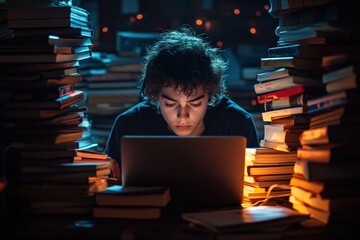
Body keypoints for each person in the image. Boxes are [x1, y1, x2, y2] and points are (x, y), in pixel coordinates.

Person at [105, 25, 259, 180]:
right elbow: (108, 189)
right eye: (171, 104)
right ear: (156, 97)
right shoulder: (130, 126)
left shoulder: (237, 124)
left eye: (195, 103)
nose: (183, 116)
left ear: (210, 95)